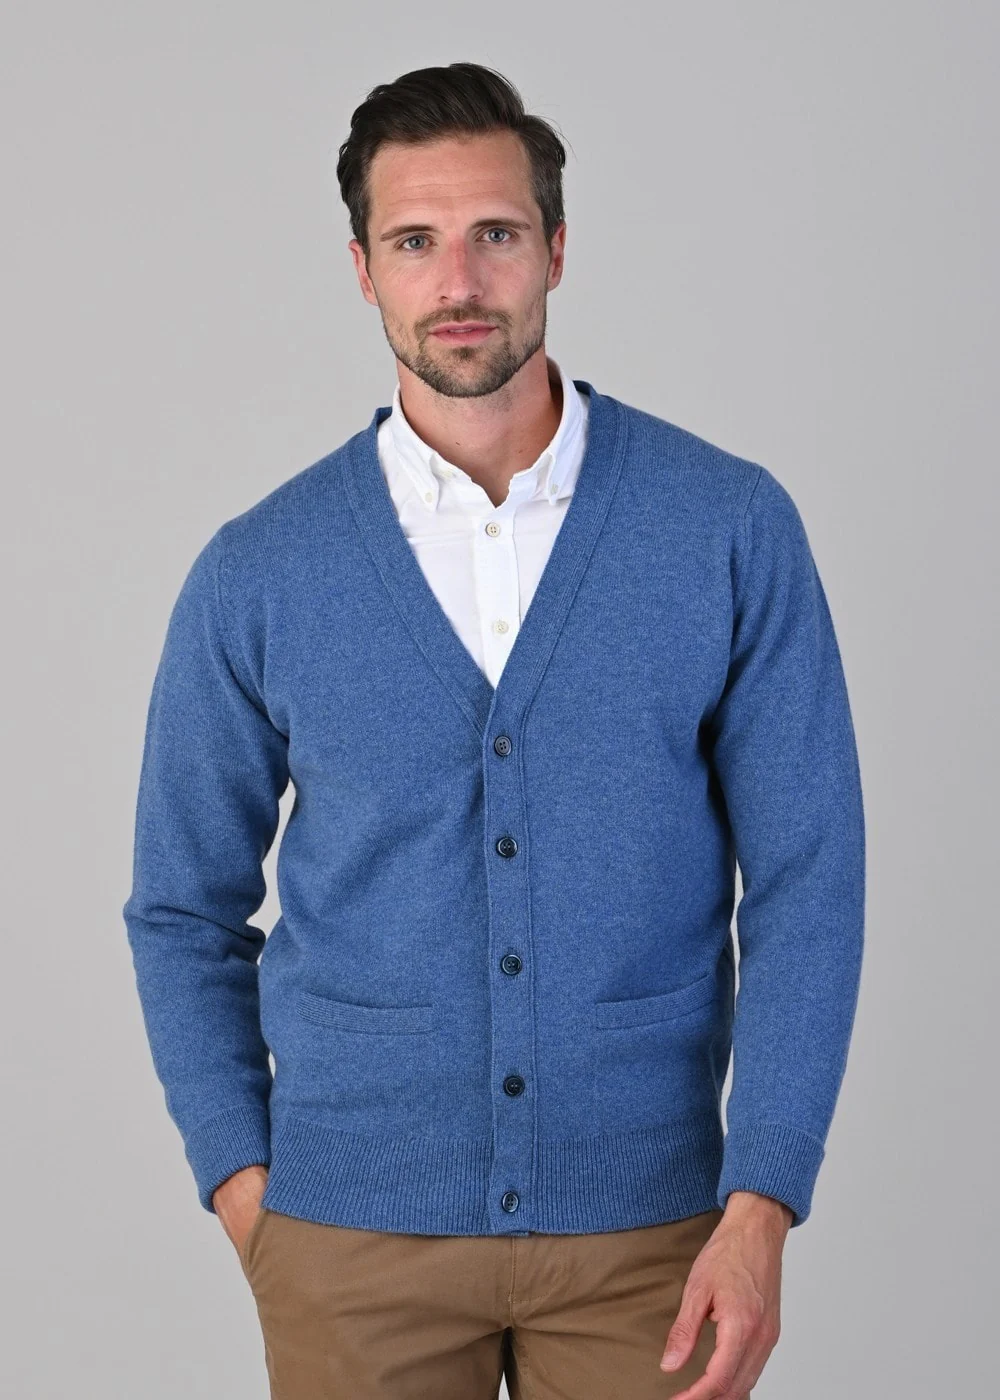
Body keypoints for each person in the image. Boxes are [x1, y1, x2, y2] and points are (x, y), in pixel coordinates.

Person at [122, 61, 866, 1400]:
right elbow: (181, 906)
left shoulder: (725, 526)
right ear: (363, 269)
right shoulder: (261, 570)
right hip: (350, 1242)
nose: (458, 279)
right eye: (415, 241)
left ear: (558, 250)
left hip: (654, 1236)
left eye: (497, 234)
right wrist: (245, 1189)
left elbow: (810, 876)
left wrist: (764, 1199)